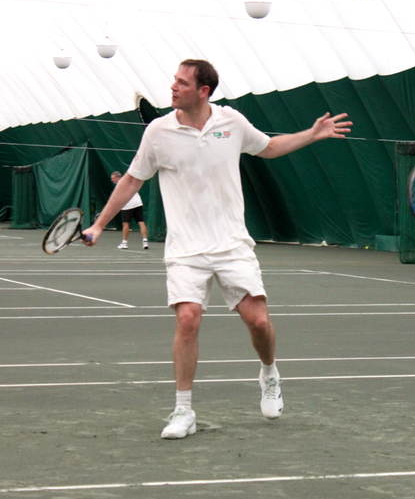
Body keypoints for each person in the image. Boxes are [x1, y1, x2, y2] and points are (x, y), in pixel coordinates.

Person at [83, 58, 352, 439]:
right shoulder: (158, 132)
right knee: (188, 318)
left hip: (231, 243)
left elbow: (270, 147)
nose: (172, 87)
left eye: (181, 83)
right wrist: (98, 224)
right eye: (173, 80)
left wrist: (311, 133)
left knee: (258, 320)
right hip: (185, 249)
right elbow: (131, 180)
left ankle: (270, 373)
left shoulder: (232, 122)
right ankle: (183, 411)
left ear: (203, 91)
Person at [110, 171, 148, 250]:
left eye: (113, 178)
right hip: (138, 203)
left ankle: (124, 243)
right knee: (141, 222)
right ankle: (145, 242)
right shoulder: (129, 181)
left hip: (128, 205)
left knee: (125, 224)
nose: (112, 180)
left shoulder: (120, 185)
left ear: (118, 177)